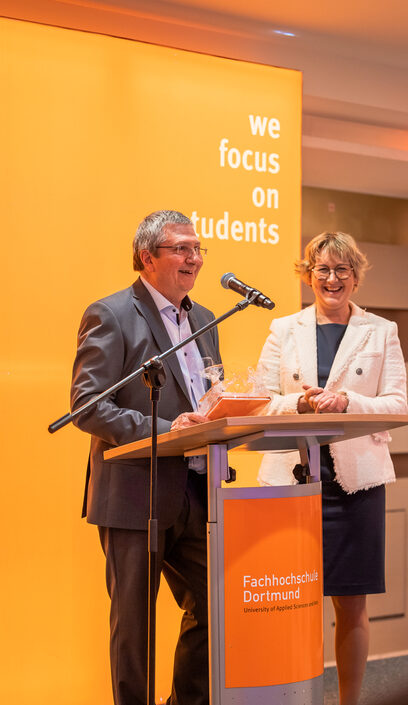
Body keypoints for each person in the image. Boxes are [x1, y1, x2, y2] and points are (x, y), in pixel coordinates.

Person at [71, 210, 221, 705]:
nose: (194, 258)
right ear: (147, 256)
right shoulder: (111, 314)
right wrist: (166, 429)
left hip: (197, 490)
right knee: (135, 628)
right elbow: (89, 406)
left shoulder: (203, 319)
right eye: (181, 248)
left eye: (197, 249)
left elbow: (202, 396)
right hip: (136, 493)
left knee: (214, 605)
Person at [257, 231, 407, 705]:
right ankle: (294, 697)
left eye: (342, 269)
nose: (332, 278)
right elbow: (259, 404)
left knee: (351, 604)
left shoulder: (381, 331)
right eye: (321, 269)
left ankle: (349, 702)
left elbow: (397, 404)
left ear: (356, 276)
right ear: (308, 275)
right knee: (292, 602)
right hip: (291, 482)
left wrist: (347, 401)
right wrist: (298, 403)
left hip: (354, 483)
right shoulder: (285, 329)